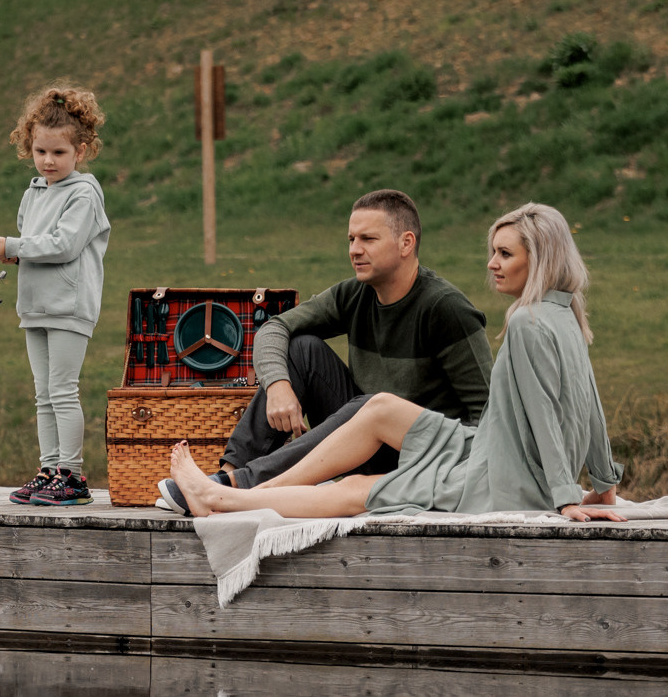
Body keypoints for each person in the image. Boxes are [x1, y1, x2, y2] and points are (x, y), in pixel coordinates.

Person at [163, 202, 629, 524]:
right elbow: (591, 407)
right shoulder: (565, 314)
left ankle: (224, 498)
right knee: (379, 405)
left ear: (541, 258)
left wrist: (567, 498)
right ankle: (235, 489)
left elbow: (545, 414)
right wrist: (604, 483)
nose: (491, 264)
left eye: (505, 254)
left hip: (496, 475)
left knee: (353, 492)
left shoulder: (519, 320)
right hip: (484, 447)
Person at [162, 189, 491, 513]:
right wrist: (278, 385)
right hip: (360, 443)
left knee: (370, 404)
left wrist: (456, 482)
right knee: (302, 349)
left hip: (422, 461)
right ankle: (229, 475)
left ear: (406, 243)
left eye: (368, 239)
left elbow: (490, 412)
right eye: (351, 239)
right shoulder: (355, 294)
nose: (355, 250)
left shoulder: (446, 309)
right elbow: (275, 328)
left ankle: (236, 489)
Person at [0, 88, 112, 508]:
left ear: (81, 150)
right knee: (43, 394)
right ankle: (49, 471)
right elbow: (32, 245)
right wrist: (12, 250)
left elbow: (63, 245)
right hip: (35, 307)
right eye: (40, 150)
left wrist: (15, 245)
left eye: (58, 152)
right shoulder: (33, 192)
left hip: (69, 309)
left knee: (62, 390)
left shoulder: (84, 193)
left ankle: (73, 477)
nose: (48, 160)